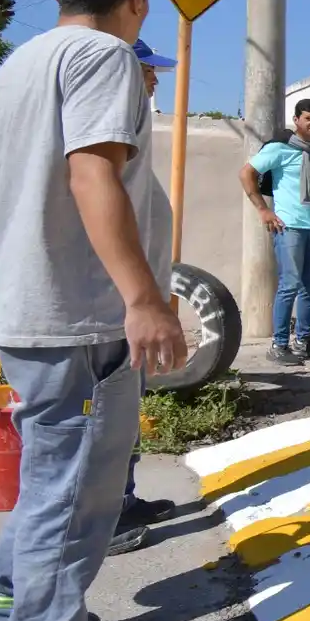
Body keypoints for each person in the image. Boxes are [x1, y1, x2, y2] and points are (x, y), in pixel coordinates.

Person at [0, 0, 187, 621]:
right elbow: (93, 176)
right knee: (76, 492)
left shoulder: (19, 64)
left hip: (30, 307)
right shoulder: (105, 60)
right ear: (138, 0)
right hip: (80, 314)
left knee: (46, 482)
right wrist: (144, 298)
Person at [105, 41, 181, 557]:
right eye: (149, 70)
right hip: (113, 306)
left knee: (125, 410)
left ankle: (123, 499)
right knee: (105, 419)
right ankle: (104, 516)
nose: (156, 80)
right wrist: (140, 298)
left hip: (136, 301)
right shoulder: (104, 140)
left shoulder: (133, 134)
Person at [239, 99, 310, 365]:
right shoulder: (280, 149)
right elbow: (246, 173)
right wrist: (264, 210)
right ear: (296, 119)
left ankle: (303, 342)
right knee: (289, 285)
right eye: (309, 118)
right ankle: (279, 344)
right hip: (290, 227)